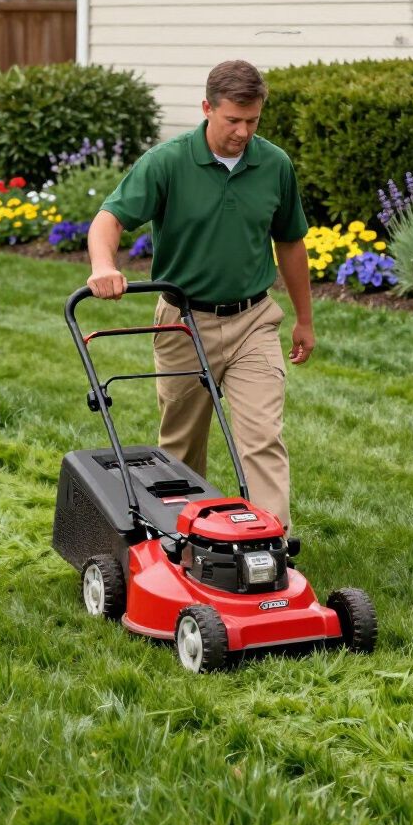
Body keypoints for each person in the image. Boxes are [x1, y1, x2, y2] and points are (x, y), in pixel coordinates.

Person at [85, 59, 313, 532]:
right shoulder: (167, 163)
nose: (243, 132)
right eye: (233, 120)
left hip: (254, 320)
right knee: (182, 447)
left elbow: (290, 241)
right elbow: (109, 219)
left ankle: (270, 547)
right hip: (183, 322)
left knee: (262, 439)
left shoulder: (273, 164)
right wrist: (104, 266)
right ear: (207, 108)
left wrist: (304, 319)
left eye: (253, 121)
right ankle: (181, 541)